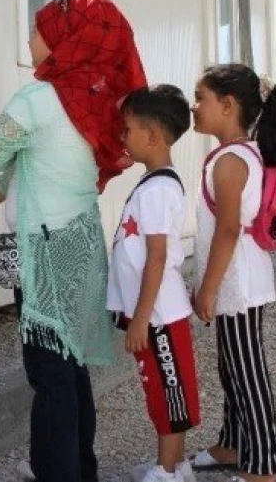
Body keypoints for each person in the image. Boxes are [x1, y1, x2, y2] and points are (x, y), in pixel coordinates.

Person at [0, 0, 148, 481]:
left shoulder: (37, 98)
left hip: (44, 252)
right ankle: (80, 470)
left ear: (66, 38)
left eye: (37, 29)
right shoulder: (100, 102)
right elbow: (43, 162)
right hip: (82, 245)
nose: (28, 38)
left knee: (49, 377)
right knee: (72, 368)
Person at [189, 64, 276, 482]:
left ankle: (264, 466)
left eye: (201, 98)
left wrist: (207, 288)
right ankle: (232, 443)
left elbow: (229, 228)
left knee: (247, 371)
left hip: (235, 283)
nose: (194, 107)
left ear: (228, 105)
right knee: (232, 367)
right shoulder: (237, 154)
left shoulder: (232, 161)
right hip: (239, 281)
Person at [108, 86, 200, 482]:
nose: (122, 137)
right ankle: (174, 466)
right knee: (159, 388)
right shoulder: (153, 184)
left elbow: (158, 257)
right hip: (152, 313)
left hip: (159, 313)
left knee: (167, 391)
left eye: (127, 130)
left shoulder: (160, 188)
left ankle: (167, 470)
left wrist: (142, 318)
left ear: (152, 136)